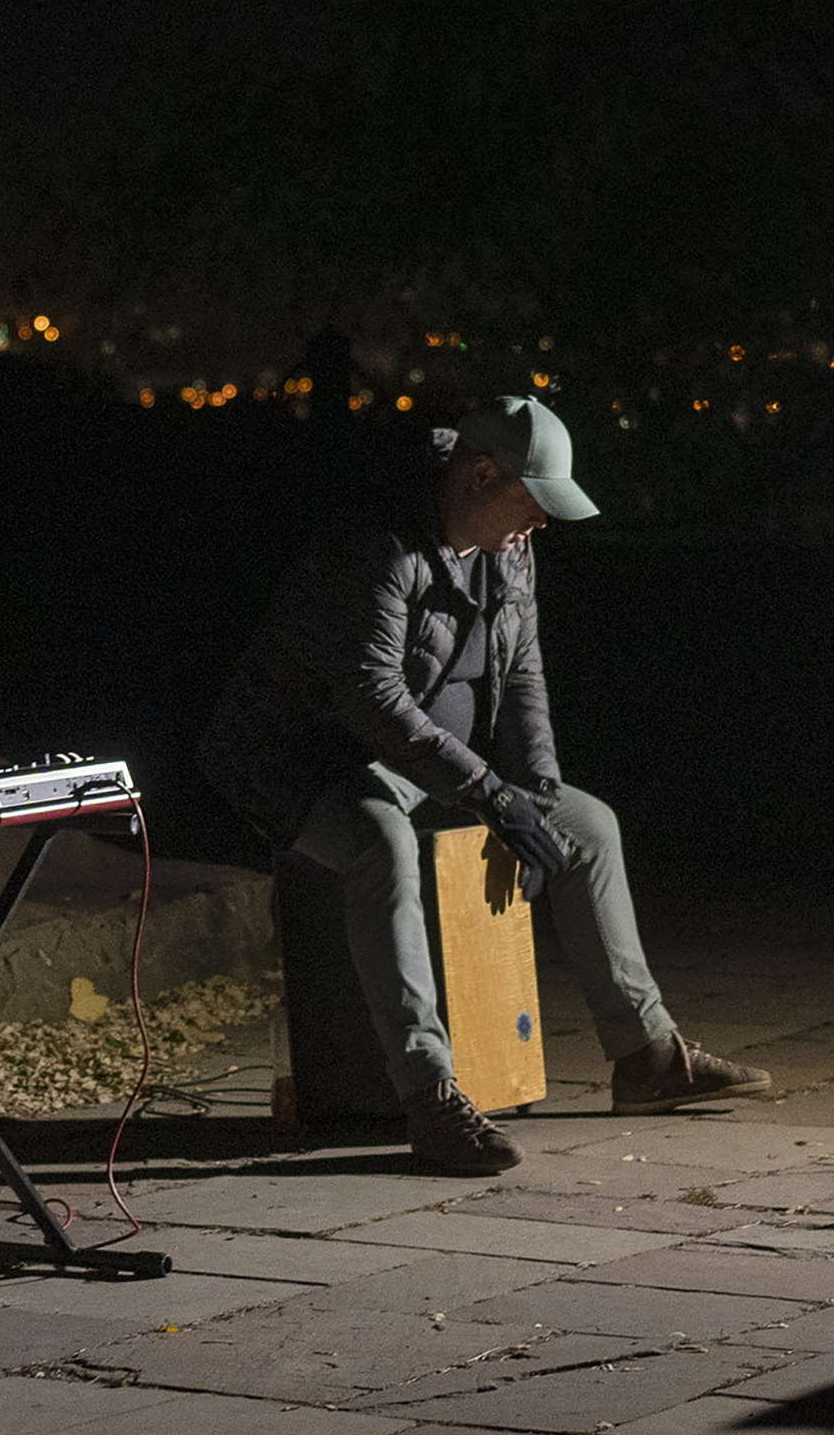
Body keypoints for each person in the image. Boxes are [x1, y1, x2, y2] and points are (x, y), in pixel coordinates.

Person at [198, 388, 774, 1175]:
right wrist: (489, 796)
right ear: (477, 476)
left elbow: (525, 673)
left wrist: (533, 792)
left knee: (589, 825)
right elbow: (370, 699)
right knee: (380, 848)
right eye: (533, 503)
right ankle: (429, 1095)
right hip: (307, 762)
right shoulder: (374, 544)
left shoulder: (510, 547)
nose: (540, 524)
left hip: (434, 767)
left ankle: (648, 1056)